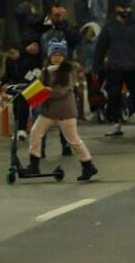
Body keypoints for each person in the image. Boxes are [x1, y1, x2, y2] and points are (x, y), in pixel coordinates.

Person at [21, 39, 97, 182]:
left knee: (73, 140)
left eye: (60, 55)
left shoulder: (68, 71)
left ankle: (88, 165)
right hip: (48, 111)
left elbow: (61, 91)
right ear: (49, 56)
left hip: (65, 112)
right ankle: (34, 164)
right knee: (35, 133)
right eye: (54, 55)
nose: (57, 58)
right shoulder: (46, 70)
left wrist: (46, 90)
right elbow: (39, 86)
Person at [94, 0, 135, 137]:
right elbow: (101, 47)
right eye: (121, 8)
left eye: (126, 8)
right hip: (114, 66)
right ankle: (116, 123)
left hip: (133, 66)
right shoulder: (109, 26)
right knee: (114, 96)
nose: (124, 11)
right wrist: (97, 66)